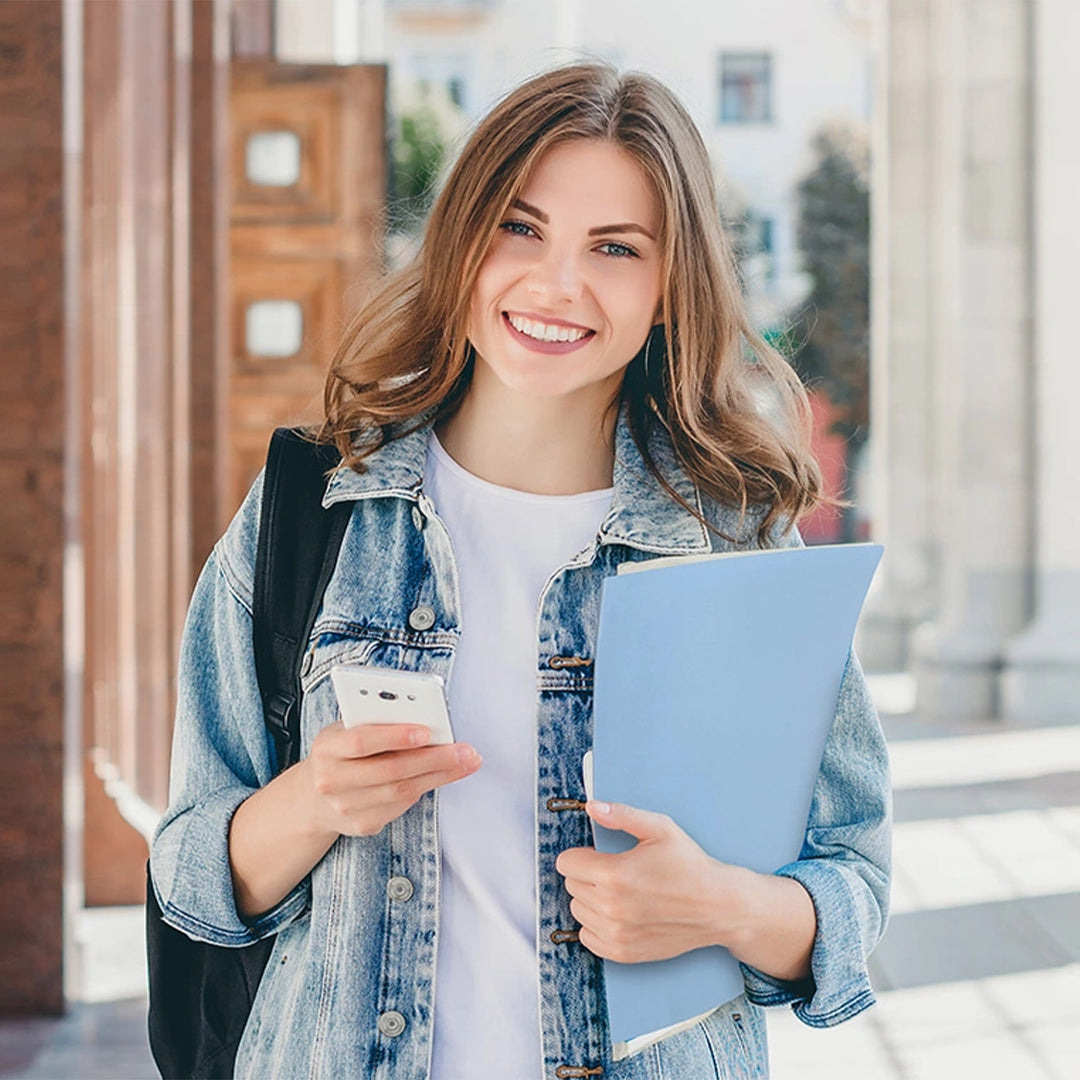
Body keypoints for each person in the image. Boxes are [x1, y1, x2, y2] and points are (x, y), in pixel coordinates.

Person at [150, 61, 891, 1080]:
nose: (557, 284)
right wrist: (313, 801)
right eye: (520, 227)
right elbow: (188, 869)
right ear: (462, 241)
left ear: (671, 285)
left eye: (616, 247)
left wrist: (724, 907)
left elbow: (852, 880)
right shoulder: (312, 510)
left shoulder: (736, 542)